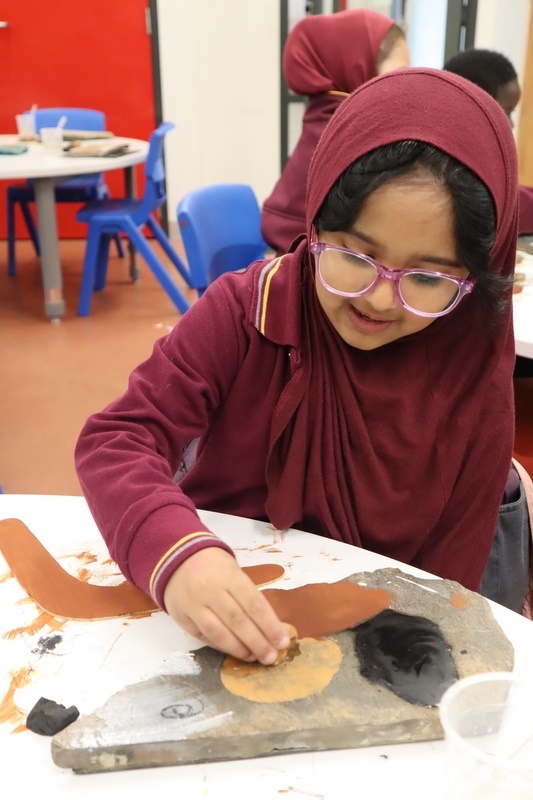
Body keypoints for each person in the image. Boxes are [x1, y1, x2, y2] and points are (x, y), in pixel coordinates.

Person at [75, 68, 528, 669]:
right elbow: (117, 439)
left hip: (386, 639)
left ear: (475, 275)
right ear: (314, 225)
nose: (378, 298)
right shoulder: (248, 311)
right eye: (353, 255)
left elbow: (450, 592)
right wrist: (178, 555)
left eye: (426, 277)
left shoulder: (470, 363)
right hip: (229, 603)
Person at [260, 9, 410, 256]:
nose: (404, 85)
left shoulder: (324, 117)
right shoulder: (347, 133)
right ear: (356, 66)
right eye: (398, 73)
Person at [444, 48, 533, 237]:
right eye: (505, 112)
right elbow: (501, 205)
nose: (511, 123)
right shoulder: (448, 161)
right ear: (473, 108)